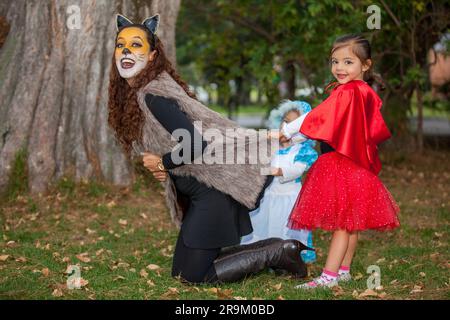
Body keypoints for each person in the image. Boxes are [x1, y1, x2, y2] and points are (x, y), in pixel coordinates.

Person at [107, 13, 311, 284]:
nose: (126, 51)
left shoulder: (154, 95)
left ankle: (278, 254)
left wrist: (162, 163)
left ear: (153, 55)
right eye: (121, 45)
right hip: (198, 189)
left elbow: (194, 143)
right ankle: (283, 249)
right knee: (180, 272)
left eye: (135, 45)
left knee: (193, 276)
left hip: (213, 188)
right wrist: (163, 163)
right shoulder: (144, 91)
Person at [279, 34, 400, 289]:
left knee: (342, 226)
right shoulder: (362, 91)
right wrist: (297, 137)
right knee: (351, 222)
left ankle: (328, 276)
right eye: (335, 61)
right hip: (356, 166)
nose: (339, 68)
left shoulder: (348, 91)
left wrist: (289, 131)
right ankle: (344, 270)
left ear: (365, 65)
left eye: (348, 62)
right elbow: (329, 124)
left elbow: (317, 117)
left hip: (342, 164)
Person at [241, 100, 318, 264]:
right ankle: (262, 255)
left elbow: (295, 170)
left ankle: (286, 259)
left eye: (292, 124)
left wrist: (271, 170)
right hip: (269, 195)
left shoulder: (303, 151)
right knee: (264, 224)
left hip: (289, 198)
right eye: (285, 121)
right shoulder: (273, 146)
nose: (286, 126)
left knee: (284, 228)